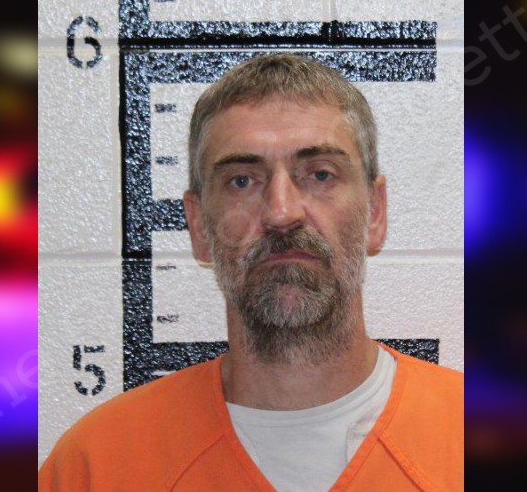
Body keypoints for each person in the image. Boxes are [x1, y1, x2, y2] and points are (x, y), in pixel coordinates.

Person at [39, 54, 463, 491]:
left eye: (320, 174)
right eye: (242, 180)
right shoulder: (96, 466)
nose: (282, 212)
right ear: (198, 226)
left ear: (375, 212)